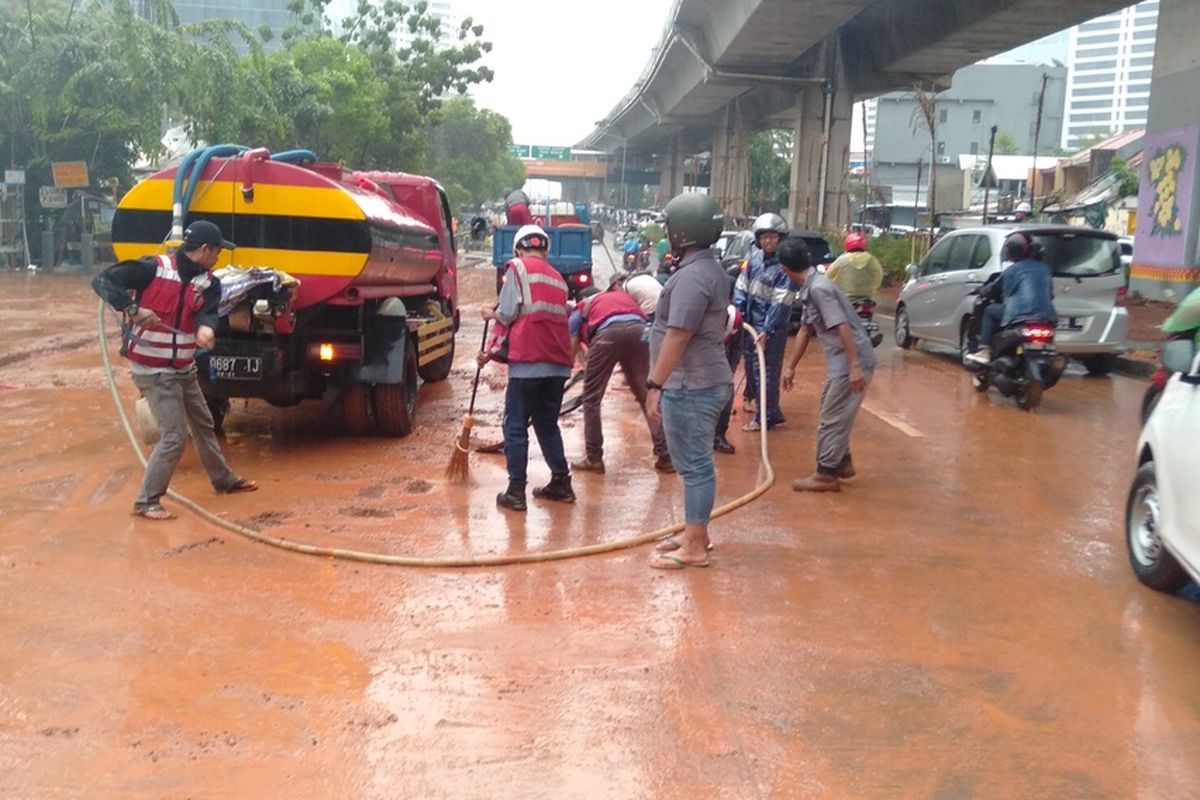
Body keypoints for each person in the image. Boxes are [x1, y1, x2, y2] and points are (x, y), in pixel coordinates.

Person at [91, 220, 258, 520]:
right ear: (205, 249)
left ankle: (224, 480)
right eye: (219, 250)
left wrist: (207, 330)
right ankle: (146, 502)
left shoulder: (209, 282)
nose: (220, 257)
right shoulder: (152, 268)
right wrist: (133, 309)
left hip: (184, 367)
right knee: (174, 436)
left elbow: (208, 313)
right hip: (153, 370)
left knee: (204, 423)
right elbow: (103, 281)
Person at [645, 193, 734, 569]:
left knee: (695, 467)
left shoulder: (693, 277)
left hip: (690, 385)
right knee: (694, 465)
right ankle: (697, 534)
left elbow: (678, 335)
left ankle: (695, 547)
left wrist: (654, 384)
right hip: (704, 380)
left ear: (682, 231)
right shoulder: (709, 269)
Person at [478, 224, 575, 512]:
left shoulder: (517, 268)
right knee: (547, 424)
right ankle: (561, 482)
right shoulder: (558, 278)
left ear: (518, 248)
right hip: (557, 364)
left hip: (528, 362)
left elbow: (508, 314)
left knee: (515, 425)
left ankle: (515, 491)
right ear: (545, 249)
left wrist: (490, 314)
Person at [779, 235, 877, 492]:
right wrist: (791, 367)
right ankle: (842, 462)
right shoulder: (812, 287)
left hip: (851, 361)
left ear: (784, 269)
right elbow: (804, 330)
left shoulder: (819, 288)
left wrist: (854, 366)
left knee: (831, 418)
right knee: (830, 409)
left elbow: (841, 325)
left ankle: (826, 474)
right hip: (843, 362)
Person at [569, 286, 672, 474]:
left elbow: (571, 350)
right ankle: (665, 455)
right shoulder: (620, 297)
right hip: (640, 330)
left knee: (591, 399)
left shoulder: (579, 309)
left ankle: (594, 457)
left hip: (608, 334)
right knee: (645, 394)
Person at [732, 212, 793, 432]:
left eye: (773, 237)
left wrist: (767, 329)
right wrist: (739, 315)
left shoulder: (784, 267)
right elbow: (741, 286)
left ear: (780, 238)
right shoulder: (754, 260)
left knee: (766, 372)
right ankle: (772, 411)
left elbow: (781, 302)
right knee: (751, 368)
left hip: (771, 330)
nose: (768, 241)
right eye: (764, 237)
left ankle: (765, 417)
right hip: (750, 327)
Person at [965, 232, 1057, 365]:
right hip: (1047, 317)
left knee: (990, 311)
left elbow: (995, 290)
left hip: (1019, 315)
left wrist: (980, 291)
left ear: (1011, 251)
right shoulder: (1045, 270)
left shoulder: (1012, 270)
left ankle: (984, 350)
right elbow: (1050, 295)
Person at [826, 231, 884, 300]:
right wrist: (875, 286)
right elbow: (879, 274)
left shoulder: (843, 259)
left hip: (845, 296)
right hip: (867, 296)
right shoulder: (871, 259)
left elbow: (829, 274)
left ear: (848, 244)